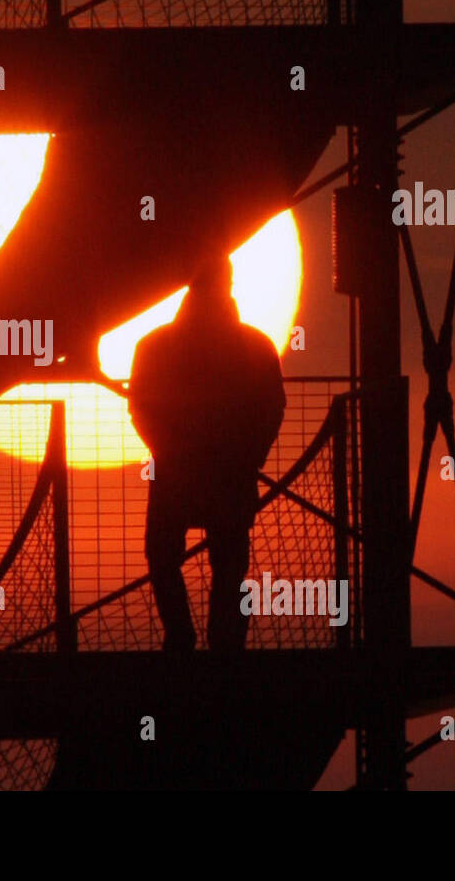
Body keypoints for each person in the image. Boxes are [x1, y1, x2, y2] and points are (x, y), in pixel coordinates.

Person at [128, 256, 286, 652]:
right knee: (229, 561)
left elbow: (139, 407)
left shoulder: (153, 344)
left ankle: (182, 637)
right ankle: (225, 644)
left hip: (178, 473)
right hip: (229, 472)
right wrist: (250, 455)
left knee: (163, 555)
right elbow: (272, 407)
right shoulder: (257, 345)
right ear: (229, 284)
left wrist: (169, 449)